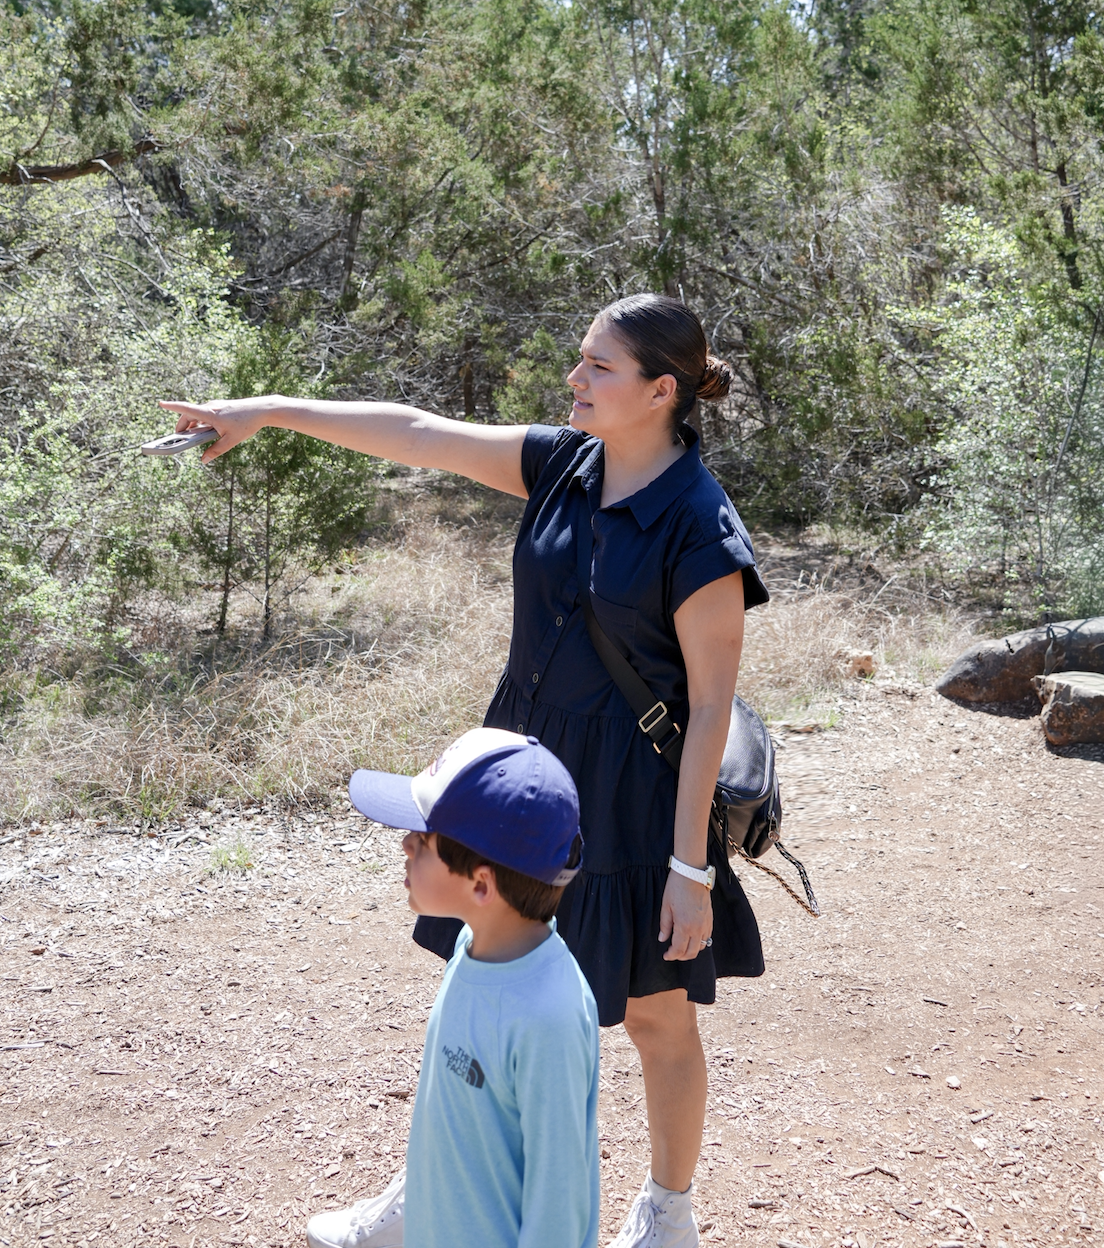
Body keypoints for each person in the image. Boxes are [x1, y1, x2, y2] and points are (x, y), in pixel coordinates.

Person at [161, 291, 770, 1248]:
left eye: (597, 367)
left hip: (632, 799)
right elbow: (414, 431)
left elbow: (703, 716)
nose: (574, 378)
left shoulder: (699, 528)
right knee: (476, 980)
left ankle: (668, 1213)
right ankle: (428, 1192)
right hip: (516, 776)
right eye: (580, 359)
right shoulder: (562, 463)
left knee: (655, 1018)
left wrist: (689, 871)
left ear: (660, 390)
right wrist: (263, 410)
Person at [306, 726, 599, 1248]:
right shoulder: (473, 944)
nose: (404, 844)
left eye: (421, 840)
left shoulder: (548, 1015)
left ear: (481, 884)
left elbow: (560, 1198)